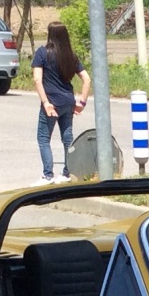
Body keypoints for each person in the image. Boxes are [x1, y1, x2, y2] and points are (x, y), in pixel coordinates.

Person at [31, 22, 92, 183]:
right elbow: (87, 79)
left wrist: (45, 102)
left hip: (52, 102)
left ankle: (47, 175)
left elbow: (37, 79)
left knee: (44, 138)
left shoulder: (42, 53)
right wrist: (82, 102)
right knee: (67, 138)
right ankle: (66, 173)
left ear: (49, 34)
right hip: (68, 101)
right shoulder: (71, 55)